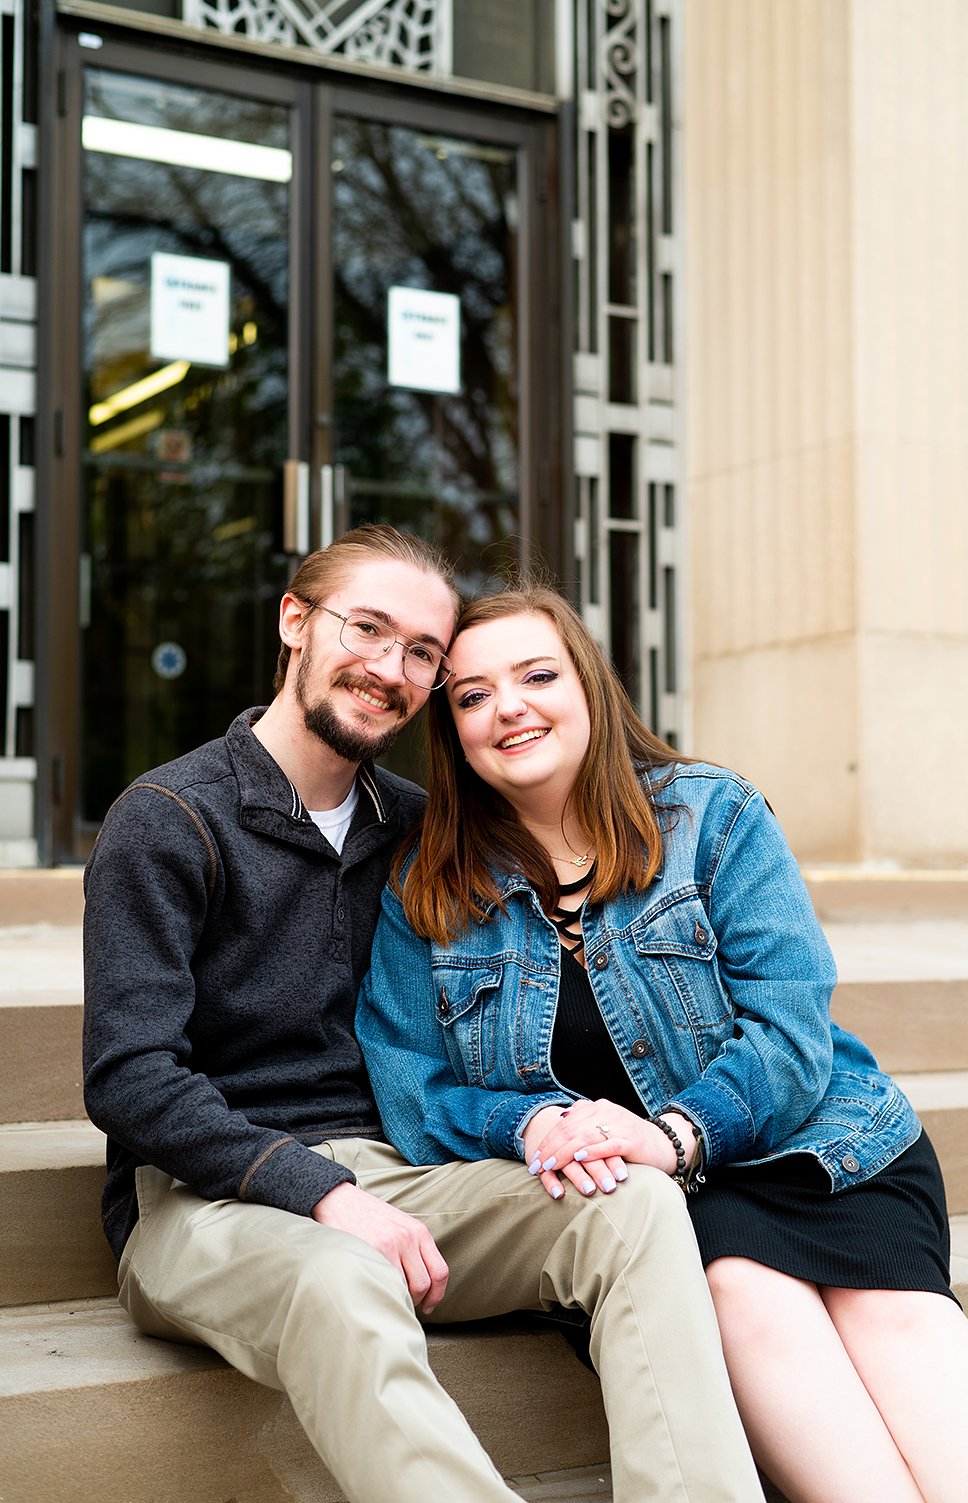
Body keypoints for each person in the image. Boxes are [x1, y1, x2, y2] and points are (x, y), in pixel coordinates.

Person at [82, 527, 765, 1503]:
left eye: (421, 653)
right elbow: (128, 1078)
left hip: (402, 1177)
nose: (388, 669)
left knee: (633, 1202)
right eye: (366, 628)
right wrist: (320, 1193)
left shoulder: (417, 827)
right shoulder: (169, 818)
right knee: (337, 1276)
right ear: (293, 622)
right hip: (206, 1201)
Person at [356, 583, 968, 1503]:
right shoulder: (428, 885)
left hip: (817, 1150)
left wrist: (677, 1133)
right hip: (640, 1208)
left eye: (537, 674)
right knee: (741, 1290)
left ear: (588, 683)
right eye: (472, 694)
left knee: (900, 1323)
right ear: (450, 729)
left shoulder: (713, 816)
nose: (510, 707)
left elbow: (791, 1026)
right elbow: (412, 1089)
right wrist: (530, 1122)